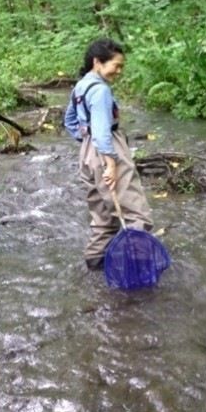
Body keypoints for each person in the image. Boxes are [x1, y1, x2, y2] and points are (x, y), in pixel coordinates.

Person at [64, 38, 153, 270]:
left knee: (103, 218)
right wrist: (111, 164)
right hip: (106, 150)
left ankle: (95, 262)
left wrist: (86, 140)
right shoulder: (101, 91)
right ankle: (138, 269)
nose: (120, 71)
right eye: (116, 65)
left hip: (87, 153)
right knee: (137, 215)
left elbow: (69, 121)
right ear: (97, 62)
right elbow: (103, 131)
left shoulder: (80, 86)